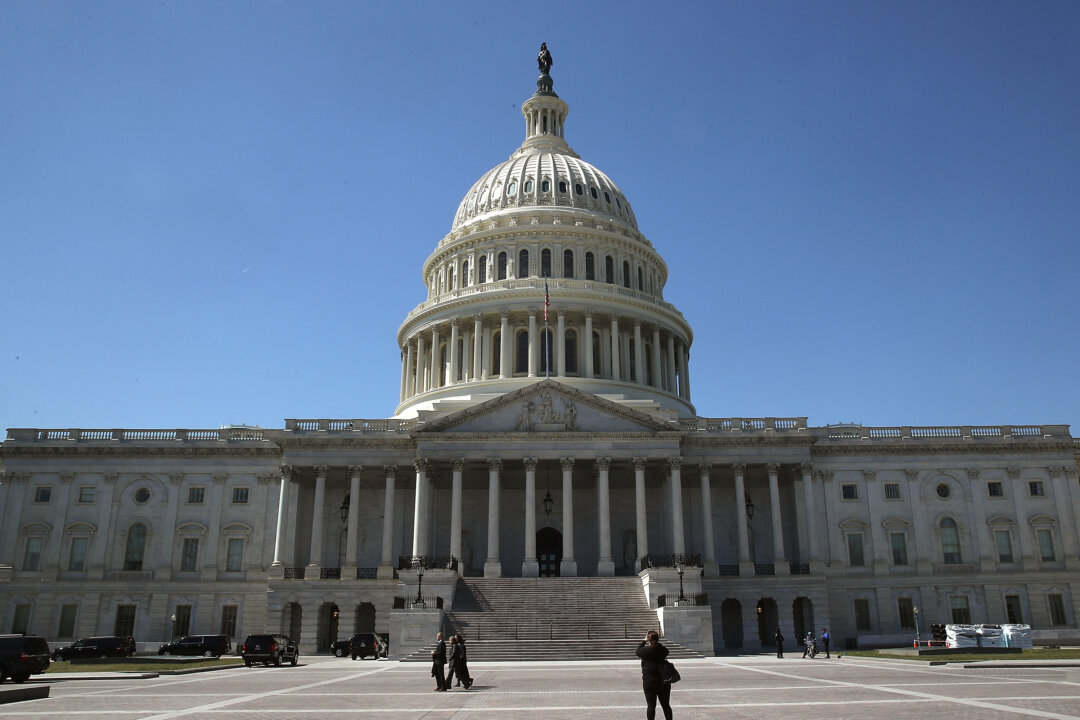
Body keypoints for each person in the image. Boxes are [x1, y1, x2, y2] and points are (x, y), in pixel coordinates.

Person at [636, 629, 673, 720]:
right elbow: (666, 651)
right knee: (666, 705)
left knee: (651, 706)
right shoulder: (662, 650)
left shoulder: (645, 651)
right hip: (663, 681)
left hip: (649, 682)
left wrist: (644, 641)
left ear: (649, 639)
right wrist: (657, 643)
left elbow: (637, 651)